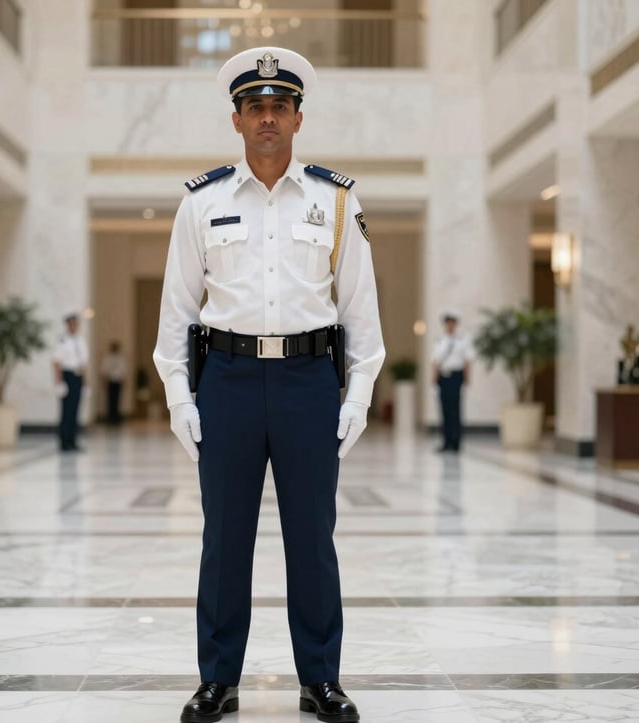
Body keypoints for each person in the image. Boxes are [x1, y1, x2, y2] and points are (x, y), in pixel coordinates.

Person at [153, 47, 384, 723]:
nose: (268, 119)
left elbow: (362, 308)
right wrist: (177, 395)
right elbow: (176, 312)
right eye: (255, 107)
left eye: (280, 106)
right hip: (225, 378)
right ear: (236, 119)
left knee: (312, 535)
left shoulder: (336, 199)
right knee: (224, 537)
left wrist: (360, 393)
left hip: (309, 380)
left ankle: (321, 678)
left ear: (298, 117)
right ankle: (217, 679)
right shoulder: (201, 203)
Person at [431, 310, 474, 453]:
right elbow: (435, 361)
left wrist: (467, 378)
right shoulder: (440, 341)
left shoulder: (462, 340)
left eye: (452, 323)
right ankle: (446, 441)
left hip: (456, 376)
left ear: (455, 324)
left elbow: (468, 361)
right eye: (447, 323)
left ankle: (456, 442)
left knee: (455, 409)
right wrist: (434, 377)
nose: (450, 326)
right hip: (443, 377)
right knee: (444, 409)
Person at [52, 312, 89, 452]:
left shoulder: (80, 340)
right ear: (68, 325)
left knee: (75, 410)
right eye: (72, 323)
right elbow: (56, 363)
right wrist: (59, 382)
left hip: (78, 376)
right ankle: (64, 442)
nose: (75, 326)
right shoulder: (62, 341)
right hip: (67, 376)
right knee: (66, 411)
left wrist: (85, 383)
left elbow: (84, 364)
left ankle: (73, 441)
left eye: (76, 323)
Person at [99, 340, 127, 425]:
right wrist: (104, 382)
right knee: (110, 400)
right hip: (110, 381)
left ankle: (116, 417)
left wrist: (123, 382)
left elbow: (123, 371)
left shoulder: (120, 358)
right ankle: (110, 417)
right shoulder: (107, 357)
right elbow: (104, 371)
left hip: (117, 381)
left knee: (117, 399)